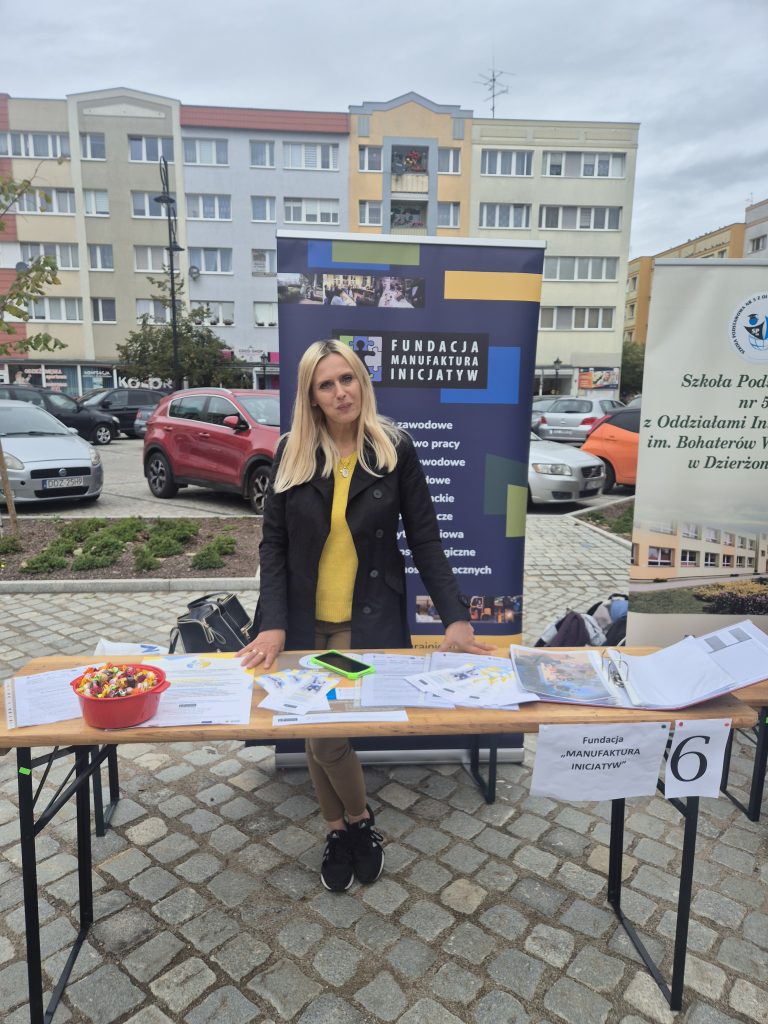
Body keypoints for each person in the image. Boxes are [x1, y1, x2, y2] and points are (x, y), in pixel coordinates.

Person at [240, 338, 492, 892]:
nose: (340, 392)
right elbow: (273, 544)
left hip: (364, 619)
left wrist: (454, 616)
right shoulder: (292, 452)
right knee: (314, 731)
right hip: (302, 621)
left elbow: (425, 538)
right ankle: (347, 828)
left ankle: (351, 823)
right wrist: (273, 622)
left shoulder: (393, 449)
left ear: (362, 381)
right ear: (311, 395)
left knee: (328, 736)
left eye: (347, 378)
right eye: (326, 384)